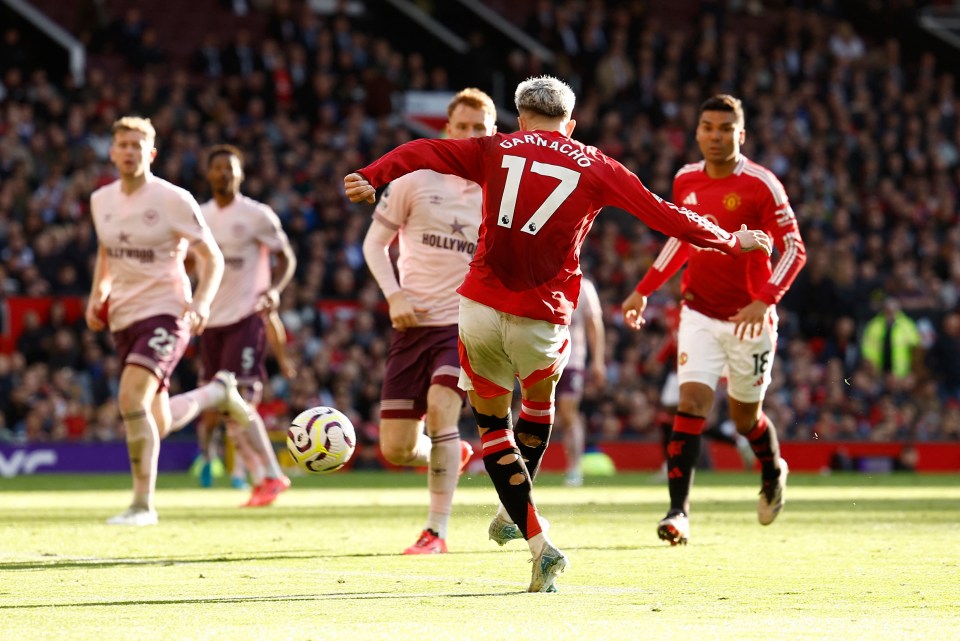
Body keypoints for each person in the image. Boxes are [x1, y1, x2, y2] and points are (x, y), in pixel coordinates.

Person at [345, 76, 772, 592]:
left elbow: (423, 148)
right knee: (538, 405)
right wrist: (731, 239)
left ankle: (533, 534)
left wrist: (372, 174)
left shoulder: (494, 147)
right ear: (570, 124)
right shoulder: (595, 163)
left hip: (479, 304)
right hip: (544, 315)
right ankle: (525, 515)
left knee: (489, 423)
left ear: (521, 120)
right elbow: (667, 215)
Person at [622, 94, 807, 546]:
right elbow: (681, 240)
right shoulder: (685, 179)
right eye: (707, 127)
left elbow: (794, 249)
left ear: (740, 135)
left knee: (746, 419)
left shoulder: (763, 185)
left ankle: (771, 468)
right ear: (697, 131)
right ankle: (678, 513)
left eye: (725, 129)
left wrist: (765, 299)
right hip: (699, 312)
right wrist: (643, 289)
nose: (715, 136)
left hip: (749, 320)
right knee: (691, 405)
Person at [85, 116, 254, 526]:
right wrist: (97, 293)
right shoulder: (100, 201)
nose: (129, 151)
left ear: (151, 153)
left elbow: (210, 256)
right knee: (155, 421)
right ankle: (216, 393)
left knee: (130, 398)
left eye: (137, 145)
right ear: (111, 151)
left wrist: (201, 302)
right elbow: (108, 251)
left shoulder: (173, 199)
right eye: (122, 144)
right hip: (123, 317)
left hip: (166, 312)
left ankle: (142, 505)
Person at [361, 88, 493, 554]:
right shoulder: (414, 181)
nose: (472, 135)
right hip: (411, 323)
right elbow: (373, 245)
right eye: (463, 127)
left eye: (481, 128)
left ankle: (435, 532)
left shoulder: (497, 194)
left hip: (465, 325)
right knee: (396, 448)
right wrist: (394, 295)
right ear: (447, 130)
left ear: (493, 133)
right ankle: (452, 453)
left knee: (442, 407)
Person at [195, 144, 298, 506]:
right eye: (218, 168)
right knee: (228, 410)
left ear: (240, 175)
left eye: (230, 168)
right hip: (211, 321)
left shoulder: (257, 215)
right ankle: (261, 478)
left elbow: (286, 258)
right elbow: (193, 263)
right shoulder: (199, 215)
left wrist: (274, 290)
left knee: (237, 398)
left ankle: (270, 475)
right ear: (208, 174)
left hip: (246, 317)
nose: (224, 173)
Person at [554, 274, 605, 487]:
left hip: (573, 358)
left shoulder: (584, 287)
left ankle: (573, 467)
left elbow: (594, 324)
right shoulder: (546, 280)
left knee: (568, 413)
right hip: (543, 356)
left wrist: (597, 361)